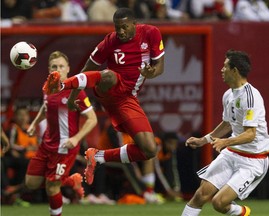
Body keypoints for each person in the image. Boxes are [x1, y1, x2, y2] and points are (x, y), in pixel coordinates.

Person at [42, 7, 165, 186]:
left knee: (149, 149)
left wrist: (151, 72)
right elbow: (88, 69)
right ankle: (60, 85)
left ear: (134, 24)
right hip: (108, 89)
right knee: (109, 75)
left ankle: (98, 156)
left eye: (124, 27)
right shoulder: (109, 41)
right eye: (117, 27)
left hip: (128, 99)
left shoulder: (151, 33)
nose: (120, 32)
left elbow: (159, 67)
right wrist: (71, 95)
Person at [181, 50, 269, 216]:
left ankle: (242, 213)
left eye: (225, 67)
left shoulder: (251, 97)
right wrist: (203, 140)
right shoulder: (228, 95)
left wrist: (225, 142)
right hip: (232, 153)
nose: (221, 70)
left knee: (219, 203)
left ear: (235, 70)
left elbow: (250, 134)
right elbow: (227, 124)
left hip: (253, 160)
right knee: (200, 195)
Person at [26, 51, 97, 216]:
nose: (58, 69)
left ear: (68, 69)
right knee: (31, 183)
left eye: (61, 66)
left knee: (52, 187)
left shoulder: (76, 91)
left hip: (64, 147)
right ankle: (71, 180)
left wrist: (76, 138)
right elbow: (46, 107)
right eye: (54, 66)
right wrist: (34, 124)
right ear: (49, 70)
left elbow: (92, 119)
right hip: (46, 144)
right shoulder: (48, 87)